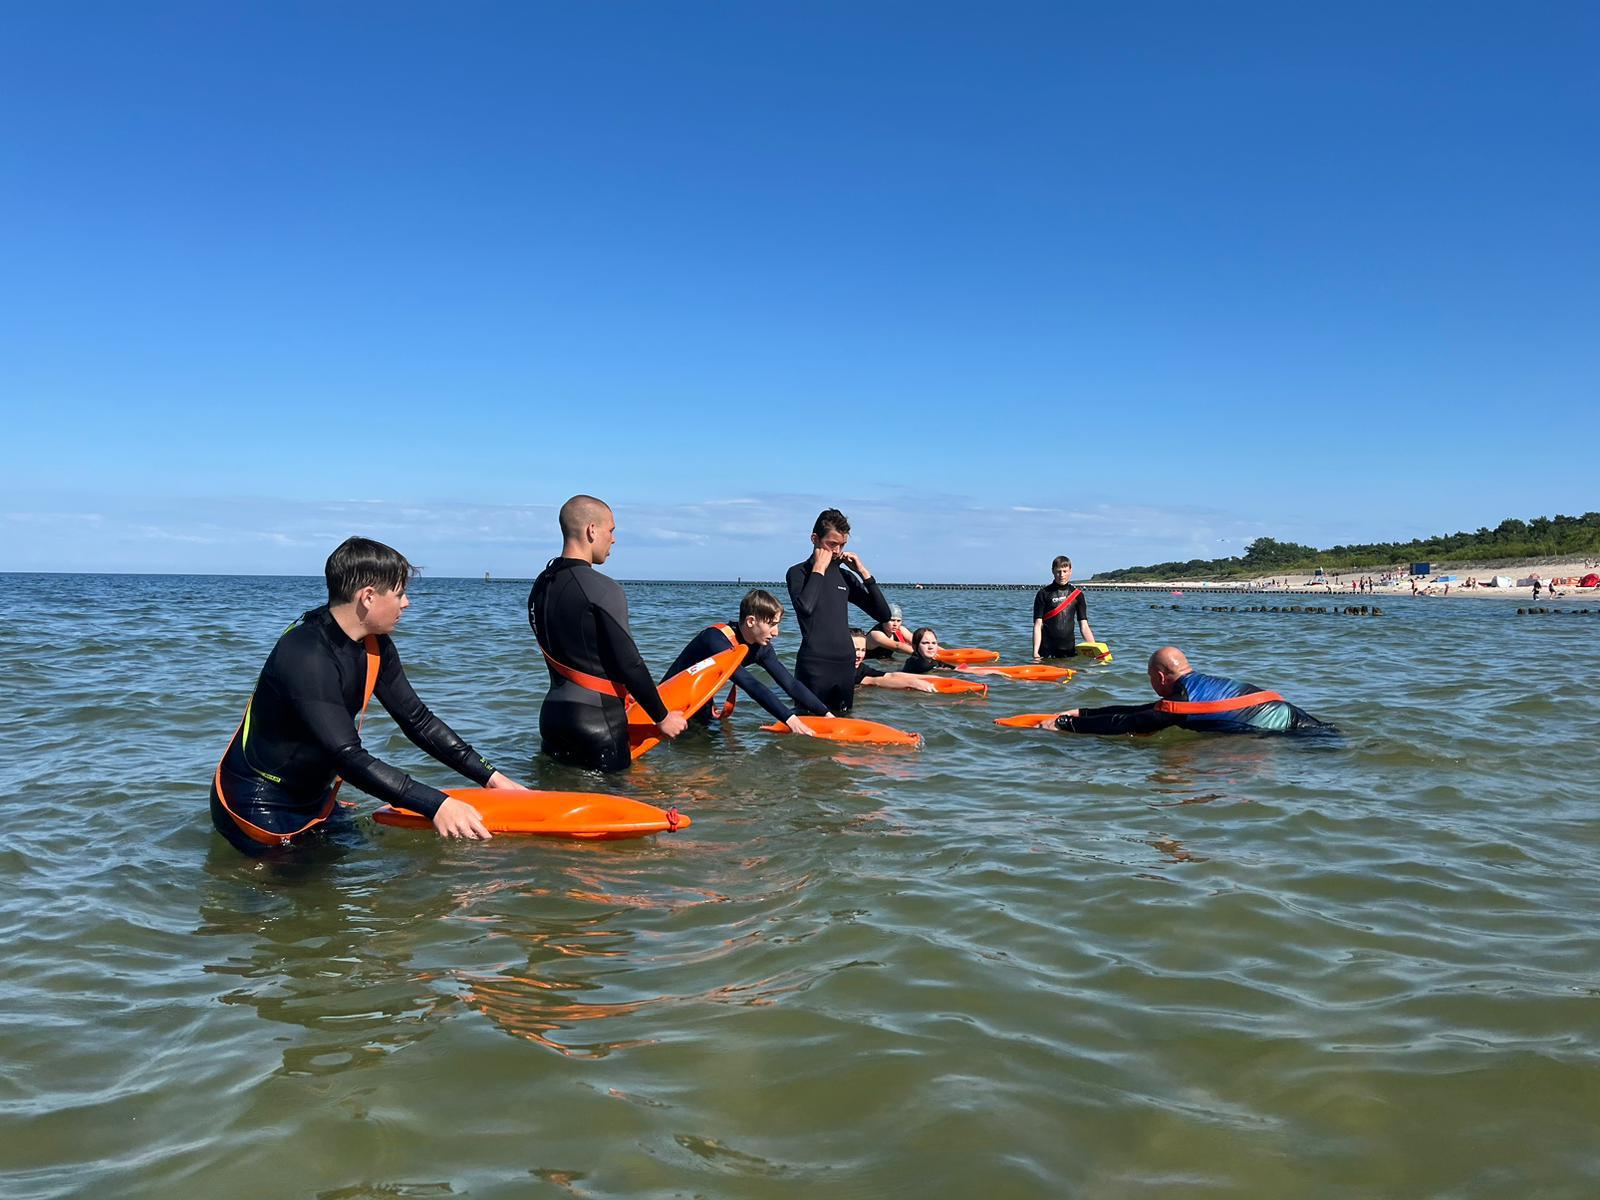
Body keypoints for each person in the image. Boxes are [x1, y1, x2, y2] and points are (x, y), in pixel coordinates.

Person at [209, 537, 524, 856]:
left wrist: (491, 777)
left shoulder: (374, 644)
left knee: (358, 864)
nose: (406, 603)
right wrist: (437, 804)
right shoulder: (306, 653)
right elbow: (347, 757)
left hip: (316, 798)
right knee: (303, 883)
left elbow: (417, 720)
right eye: (399, 593)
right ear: (368, 597)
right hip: (258, 803)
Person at [528, 495, 687, 771]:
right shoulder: (601, 588)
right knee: (614, 796)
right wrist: (662, 717)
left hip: (552, 719)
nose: (613, 540)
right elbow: (629, 662)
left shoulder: (541, 585)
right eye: (611, 531)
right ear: (592, 530)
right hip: (597, 723)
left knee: (561, 793)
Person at [1041, 646, 1332, 735]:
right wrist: (1082, 712)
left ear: (1159, 676)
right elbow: (1143, 710)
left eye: (1150, 678)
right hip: (1306, 723)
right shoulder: (1194, 688)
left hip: (1301, 738)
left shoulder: (1182, 703)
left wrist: (1064, 724)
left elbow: (1127, 723)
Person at [661, 589, 830, 735]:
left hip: (700, 703)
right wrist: (790, 719)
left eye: (778, 625)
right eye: (771, 624)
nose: (776, 632)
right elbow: (750, 684)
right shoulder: (715, 640)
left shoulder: (761, 648)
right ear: (751, 621)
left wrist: (826, 714)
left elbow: (790, 684)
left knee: (708, 751)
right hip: (667, 705)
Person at [785, 508, 894, 715]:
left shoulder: (845, 577)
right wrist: (819, 568)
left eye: (842, 545)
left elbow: (883, 615)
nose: (837, 551)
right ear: (815, 539)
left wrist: (863, 573)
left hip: (845, 665)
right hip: (814, 665)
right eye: (832, 544)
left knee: (844, 722)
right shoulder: (798, 573)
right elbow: (805, 609)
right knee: (808, 726)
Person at [850, 628, 936, 706]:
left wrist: (930, 678)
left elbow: (891, 675)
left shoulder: (861, 667)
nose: (859, 655)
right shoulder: (844, 669)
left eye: (863, 650)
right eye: (855, 650)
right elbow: (874, 681)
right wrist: (912, 683)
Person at [1032, 555, 1095, 659]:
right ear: (1053, 571)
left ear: (1070, 571)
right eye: (1058, 571)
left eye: (1065, 571)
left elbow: (1084, 626)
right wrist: (1035, 652)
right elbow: (1038, 625)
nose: (1062, 575)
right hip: (1047, 652)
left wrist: (1094, 648)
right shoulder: (1043, 594)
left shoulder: (1077, 595)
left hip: (1069, 652)